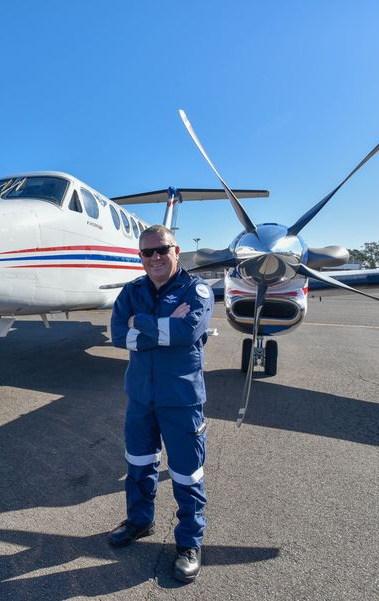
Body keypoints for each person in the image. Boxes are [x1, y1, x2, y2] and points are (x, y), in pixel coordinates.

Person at [108, 224, 214, 584]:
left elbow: (188, 332)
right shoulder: (132, 290)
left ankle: (189, 543)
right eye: (147, 252)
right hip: (141, 397)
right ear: (140, 256)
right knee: (139, 464)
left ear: (176, 251)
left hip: (181, 399)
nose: (154, 257)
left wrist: (142, 323)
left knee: (186, 474)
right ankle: (140, 521)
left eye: (161, 250)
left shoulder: (196, 290)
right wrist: (164, 328)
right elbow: (118, 336)